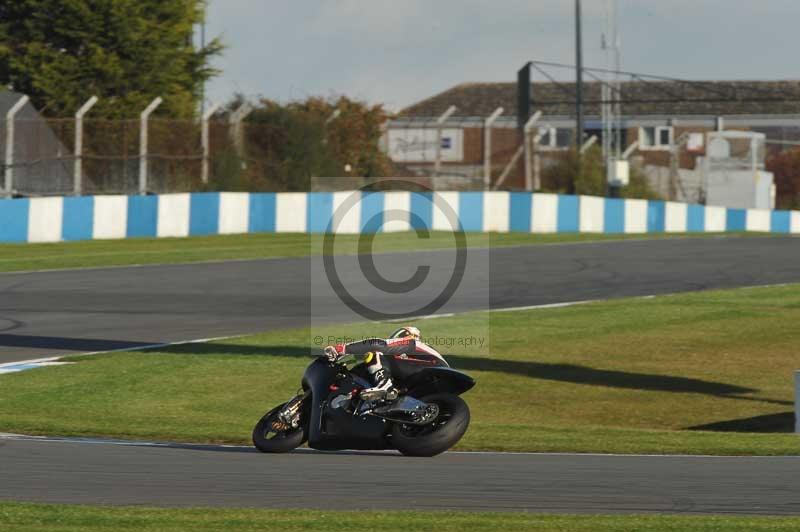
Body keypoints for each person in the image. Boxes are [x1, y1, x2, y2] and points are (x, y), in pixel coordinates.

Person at [323, 326, 445, 401]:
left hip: (433, 368)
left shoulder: (411, 342)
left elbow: (377, 344)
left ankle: (384, 386)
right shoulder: (408, 359)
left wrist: (341, 349)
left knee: (375, 353)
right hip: (432, 381)